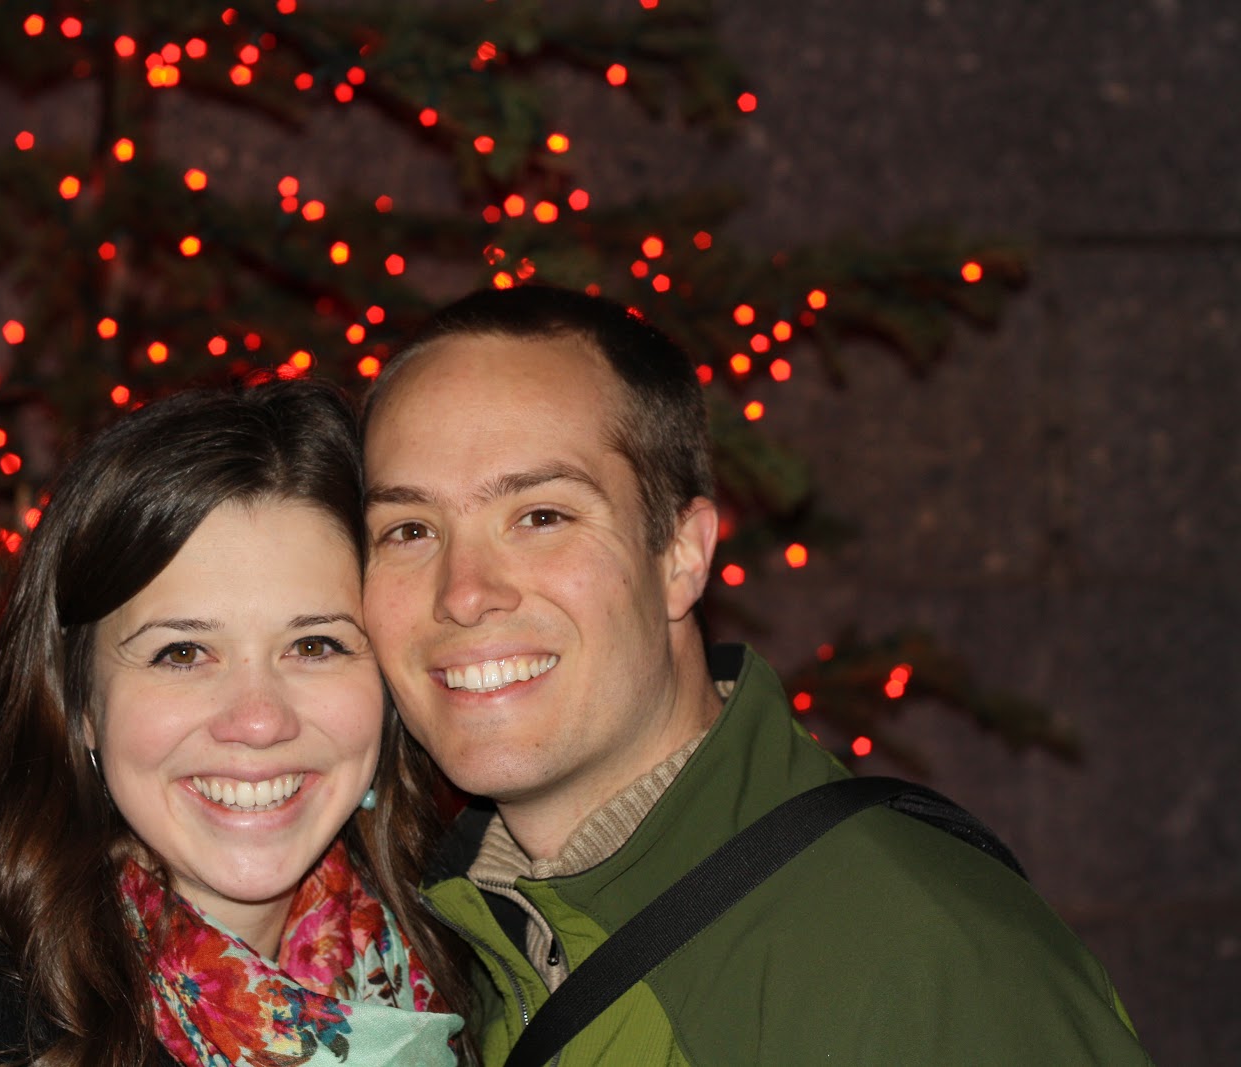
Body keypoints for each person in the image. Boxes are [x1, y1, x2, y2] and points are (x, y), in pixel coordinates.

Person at [359, 285, 1153, 1065]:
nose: (463, 593)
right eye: (409, 528)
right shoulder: (428, 976)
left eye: (542, 516)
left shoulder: (920, 962)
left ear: (682, 555)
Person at [0, 382, 465, 1067]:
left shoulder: (472, 966)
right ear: (79, 702)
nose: (258, 720)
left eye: (314, 645)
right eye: (182, 653)